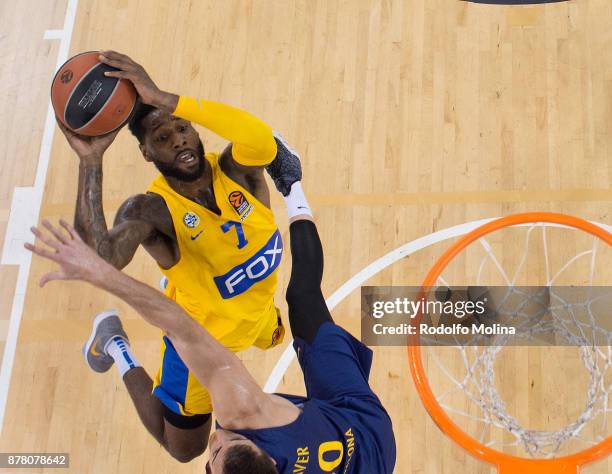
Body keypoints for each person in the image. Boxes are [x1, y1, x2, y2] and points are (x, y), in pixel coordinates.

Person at [26, 175, 396, 473]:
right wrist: (101, 274)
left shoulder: (242, 440)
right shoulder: (245, 413)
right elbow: (183, 327)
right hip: (363, 429)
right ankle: (292, 185)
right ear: (260, 451)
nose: (213, 445)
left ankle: (118, 341)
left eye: (212, 461)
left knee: (183, 449)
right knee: (303, 299)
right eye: (222, 448)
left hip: (340, 445)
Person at [56, 50, 302, 461]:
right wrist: (91, 161)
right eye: (162, 139)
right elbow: (101, 258)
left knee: (248, 317)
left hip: (255, 318)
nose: (179, 141)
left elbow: (261, 138)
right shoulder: (150, 211)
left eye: (182, 129)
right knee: (184, 449)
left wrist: (168, 99)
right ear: (147, 153)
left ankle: (183, 280)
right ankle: (115, 344)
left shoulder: (238, 172)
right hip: (198, 346)